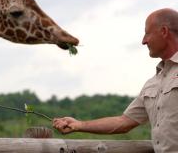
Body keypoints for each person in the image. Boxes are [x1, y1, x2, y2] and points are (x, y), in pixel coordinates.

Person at [53, 8, 178, 153]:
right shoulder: (153, 83)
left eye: (147, 33)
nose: (143, 41)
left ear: (164, 31)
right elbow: (123, 122)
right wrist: (79, 125)